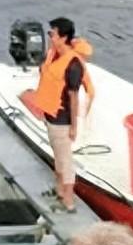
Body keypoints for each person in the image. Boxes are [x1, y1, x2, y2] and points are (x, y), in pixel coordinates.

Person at [33, 17, 91, 214]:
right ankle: (59, 191)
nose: (49, 37)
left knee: (65, 160)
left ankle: (68, 202)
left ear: (63, 37)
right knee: (57, 157)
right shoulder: (54, 55)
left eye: (53, 34)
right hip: (50, 115)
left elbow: (73, 98)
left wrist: (73, 126)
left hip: (62, 120)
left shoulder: (72, 65)